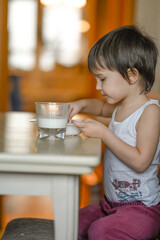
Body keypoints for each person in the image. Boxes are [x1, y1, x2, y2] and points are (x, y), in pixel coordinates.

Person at [69, 25, 160, 240]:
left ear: (131, 75)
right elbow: (99, 108)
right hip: (109, 204)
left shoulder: (150, 113)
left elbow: (140, 162)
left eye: (102, 79)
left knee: (100, 231)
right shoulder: (121, 107)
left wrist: (104, 133)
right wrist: (80, 104)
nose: (98, 87)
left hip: (142, 209)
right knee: (73, 221)